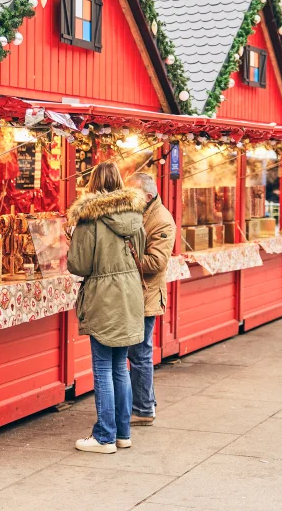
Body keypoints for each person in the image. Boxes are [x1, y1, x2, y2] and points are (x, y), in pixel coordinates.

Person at [67, 161, 147, 454]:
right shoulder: (135, 215)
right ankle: (122, 433)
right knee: (120, 367)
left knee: (102, 367)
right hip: (129, 295)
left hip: (103, 295)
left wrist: (71, 241)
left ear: (93, 185)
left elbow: (79, 264)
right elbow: (142, 250)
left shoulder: (89, 219)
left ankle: (104, 436)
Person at [125, 172, 176, 426]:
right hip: (135, 292)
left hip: (146, 295)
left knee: (140, 353)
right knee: (138, 352)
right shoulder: (141, 211)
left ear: (147, 195)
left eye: (132, 193)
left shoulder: (162, 220)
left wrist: (124, 258)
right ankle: (145, 404)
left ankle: (143, 409)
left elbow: (156, 262)